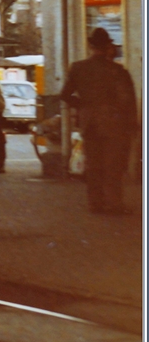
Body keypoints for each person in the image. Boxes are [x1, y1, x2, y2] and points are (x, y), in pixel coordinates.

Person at [60, 27, 139, 214]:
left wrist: (83, 106)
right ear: (107, 47)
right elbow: (127, 100)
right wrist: (132, 124)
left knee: (93, 165)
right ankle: (114, 203)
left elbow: (65, 94)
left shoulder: (78, 68)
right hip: (114, 124)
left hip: (90, 124)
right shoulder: (117, 71)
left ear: (90, 46)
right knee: (113, 165)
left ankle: (95, 203)